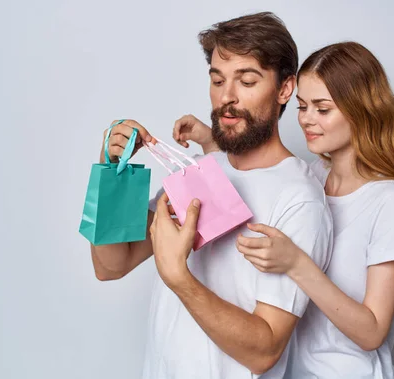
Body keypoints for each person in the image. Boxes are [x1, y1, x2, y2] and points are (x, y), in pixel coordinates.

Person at [173, 41, 394, 379]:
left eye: (322, 109)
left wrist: (298, 264)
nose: (307, 120)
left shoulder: (389, 201)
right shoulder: (310, 178)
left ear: (362, 110)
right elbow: (255, 177)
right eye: (302, 106)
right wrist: (212, 142)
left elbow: (372, 332)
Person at [89, 12, 333, 379]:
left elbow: (264, 351)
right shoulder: (203, 170)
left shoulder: (300, 199)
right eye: (217, 80)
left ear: (285, 89)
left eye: (247, 81)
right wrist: (112, 173)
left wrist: (178, 277)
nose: (227, 98)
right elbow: (111, 265)